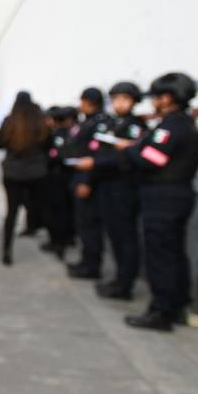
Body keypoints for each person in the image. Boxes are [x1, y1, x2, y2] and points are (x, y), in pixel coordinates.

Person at [115, 73, 198, 331]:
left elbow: (150, 159)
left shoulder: (170, 127)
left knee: (160, 255)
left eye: (156, 97)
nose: (153, 102)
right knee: (174, 252)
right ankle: (177, 306)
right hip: (177, 195)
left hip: (164, 197)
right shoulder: (187, 125)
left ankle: (161, 312)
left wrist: (129, 148)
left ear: (167, 98)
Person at [75, 81, 147, 299]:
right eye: (116, 99)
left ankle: (125, 283)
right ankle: (119, 279)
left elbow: (123, 158)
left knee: (125, 237)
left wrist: (96, 164)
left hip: (124, 187)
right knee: (114, 236)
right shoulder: (113, 124)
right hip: (106, 185)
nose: (119, 103)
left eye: (124, 99)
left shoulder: (135, 126)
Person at [0, 91, 50, 266]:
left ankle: (6, 250)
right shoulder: (41, 122)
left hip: (13, 172)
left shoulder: (10, 121)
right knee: (39, 207)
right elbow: (48, 144)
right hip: (36, 173)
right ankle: (55, 241)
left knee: (11, 212)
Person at [64, 87, 112, 279]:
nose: (80, 105)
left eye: (83, 101)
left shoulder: (100, 123)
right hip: (80, 176)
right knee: (83, 224)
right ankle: (86, 261)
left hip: (90, 180)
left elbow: (94, 156)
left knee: (90, 225)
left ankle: (92, 265)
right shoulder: (88, 122)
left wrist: (86, 181)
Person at [40, 107, 78, 259]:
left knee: (58, 212)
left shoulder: (60, 135)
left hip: (58, 178)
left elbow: (58, 155)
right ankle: (63, 239)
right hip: (61, 178)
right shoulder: (61, 134)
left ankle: (59, 241)